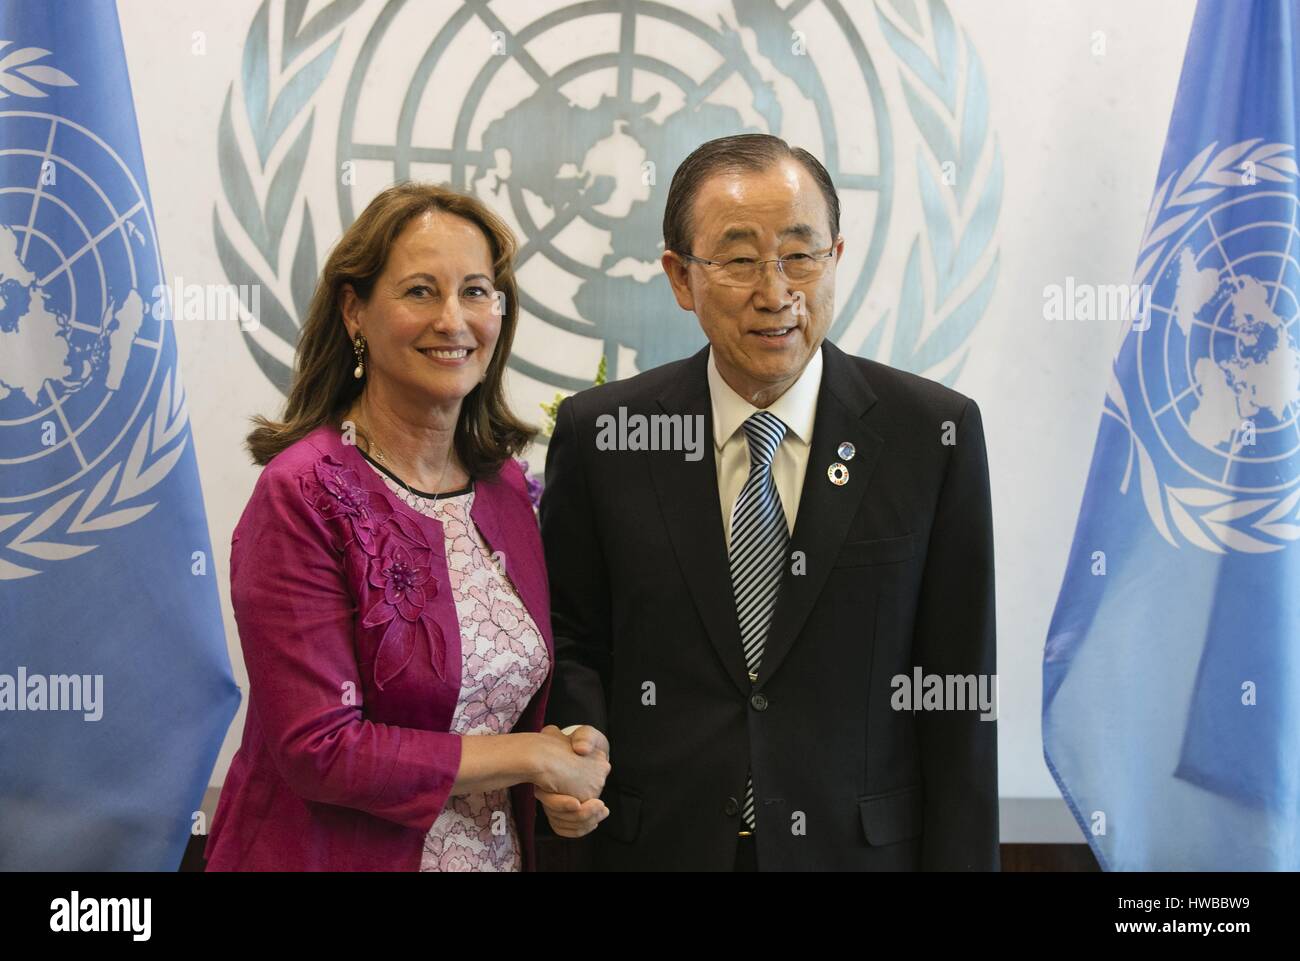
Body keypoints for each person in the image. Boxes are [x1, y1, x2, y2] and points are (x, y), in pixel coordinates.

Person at [537, 134, 998, 870]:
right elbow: (576, 642)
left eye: (800, 254)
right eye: (740, 258)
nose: (775, 291)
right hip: (656, 848)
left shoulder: (930, 435)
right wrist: (578, 757)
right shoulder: (606, 436)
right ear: (680, 278)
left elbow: (957, 687)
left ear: (836, 261)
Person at [204, 181, 609, 872]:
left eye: (477, 291)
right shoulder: (301, 493)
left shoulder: (504, 487)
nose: (454, 319)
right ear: (354, 310)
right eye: (421, 291)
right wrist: (526, 756)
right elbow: (320, 748)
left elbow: (496, 696)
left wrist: (568, 750)